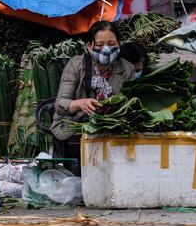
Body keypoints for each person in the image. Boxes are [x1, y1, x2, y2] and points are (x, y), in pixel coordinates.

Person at [50, 21, 135, 175]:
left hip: (111, 129)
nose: (106, 49)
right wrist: (80, 103)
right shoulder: (76, 65)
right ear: (90, 47)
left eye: (111, 43)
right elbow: (60, 104)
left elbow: (131, 103)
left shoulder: (127, 68)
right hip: (75, 128)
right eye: (100, 45)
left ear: (119, 44)